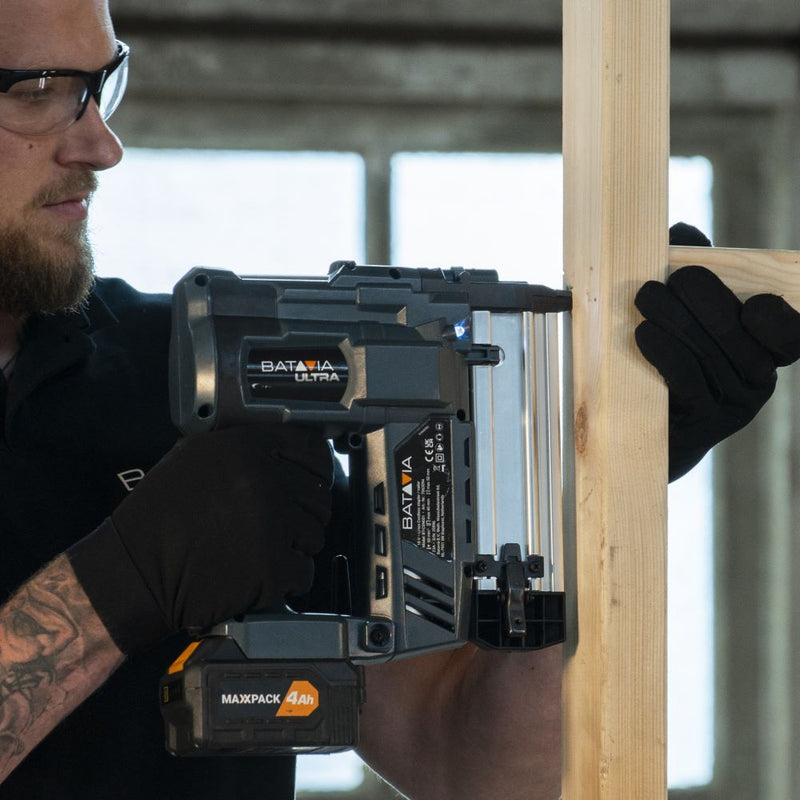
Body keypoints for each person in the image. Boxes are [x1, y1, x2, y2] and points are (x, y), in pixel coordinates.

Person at [0, 2, 561, 798]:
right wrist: (121, 584)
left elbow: (471, 765)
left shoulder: (187, 379)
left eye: (100, 86)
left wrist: (575, 494)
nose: (101, 144)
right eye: (42, 89)